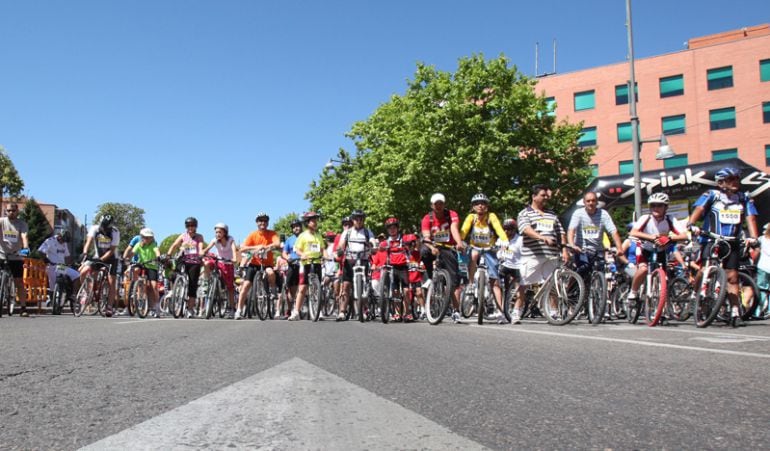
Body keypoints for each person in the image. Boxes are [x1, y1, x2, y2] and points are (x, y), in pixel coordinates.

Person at [687, 167, 759, 327]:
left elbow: (750, 217)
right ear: (721, 182)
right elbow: (699, 209)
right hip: (712, 239)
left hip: (732, 241)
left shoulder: (743, 198)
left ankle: (734, 310)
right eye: (731, 179)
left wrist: (754, 237)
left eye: (737, 179)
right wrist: (691, 224)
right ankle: (696, 291)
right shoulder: (712, 195)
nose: (735, 182)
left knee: (733, 276)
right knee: (704, 269)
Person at [516, 184, 570, 321]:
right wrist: (542, 237)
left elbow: (560, 232)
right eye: (543, 195)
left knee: (553, 283)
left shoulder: (551, 214)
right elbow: (526, 229)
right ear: (534, 197)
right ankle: (517, 310)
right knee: (524, 284)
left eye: (547, 195)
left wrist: (564, 249)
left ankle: (553, 311)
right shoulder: (524, 213)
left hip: (551, 254)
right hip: (532, 254)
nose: (546, 198)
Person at [628, 192, 688, 314]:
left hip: (660, 250)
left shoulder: (670, 219)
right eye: (653, 205)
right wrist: (651, 237)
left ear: (666, 207)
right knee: (643, 269)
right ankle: (633, 292)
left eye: (659, 205)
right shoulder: (645, 218)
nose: (656, 208)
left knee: (664, 278)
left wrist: (670, 239)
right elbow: (633, 233)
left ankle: (662, 308)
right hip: (645, 248)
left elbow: (684, 235)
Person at [460, 193, 508, 323]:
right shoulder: (471, 217)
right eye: (477, 204)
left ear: (487, 206)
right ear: (473, 207)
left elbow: (499, 229)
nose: (480, 206)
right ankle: (470, 283)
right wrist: (460, 241)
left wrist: (504, 241)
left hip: (490, 249)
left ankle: (500, 312)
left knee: (495, 282)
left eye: (483, 203)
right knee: (474, 254)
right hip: (475, 247)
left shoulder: (491, 216)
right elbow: (464, 230)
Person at [420, 193, 466, 322]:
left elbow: (454, 228)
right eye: (436, 204)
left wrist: (459, 243)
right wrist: (432, 248)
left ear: (444, 204)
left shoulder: (451, 214)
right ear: (432, 205)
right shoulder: (427, 218)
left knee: (453, 281)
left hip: (447, 247)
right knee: (423, 251)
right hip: (433, 245)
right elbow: (426, 237)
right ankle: (430, 277)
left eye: (441, 203)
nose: (439, 206)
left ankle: (456, 311)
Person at [235, 212, 281, 320]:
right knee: (245, 286)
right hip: (254, 264)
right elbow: (242, 248)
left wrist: (266, 247)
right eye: (260, 220)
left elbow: (277, 243)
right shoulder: (253, 235)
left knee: (270, 273)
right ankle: (239, 310)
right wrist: (257, 247)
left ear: (268, 222)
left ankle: (273, 289)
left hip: (267, 264)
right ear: (257, 223)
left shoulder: (272, 233)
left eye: (265, 221)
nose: (263, 223)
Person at [336, 209, 377, 320]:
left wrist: (373, 246)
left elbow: (373, 241)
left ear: (363, 220)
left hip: (363, 260)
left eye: (361, 219)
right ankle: (342, 312)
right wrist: (339, 250)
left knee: (365, 285)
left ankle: (364, 309)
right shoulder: (347, 232)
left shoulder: (368, 232)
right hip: (350, 260)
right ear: (352, 220)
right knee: (346, 286)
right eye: (356, 219)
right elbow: (341, 244)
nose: (358, 221)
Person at [80, 214, 120, 317]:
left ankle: (109, 307)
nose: (104, 229)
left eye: (107, 228)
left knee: (112, 282)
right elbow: (88, 242)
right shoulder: (94, 229)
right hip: (98, 255)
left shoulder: (115, 232)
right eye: (103, 227)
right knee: (84, 271)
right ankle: (87, 292)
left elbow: (112, 251)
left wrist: (101, 260)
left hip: (111, 258)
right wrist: (84, 253)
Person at [374, 217, 413, 321]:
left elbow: (411, 242)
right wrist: (380, 248)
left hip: (403, 267)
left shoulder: (403, 239)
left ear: (397, 228)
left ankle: (408, 312)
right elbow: (380, 248)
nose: (392, 229)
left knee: (405, 290)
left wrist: (409, 244)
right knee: (395, 291)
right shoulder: (386, 242)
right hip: (393, 268)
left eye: (394, 227)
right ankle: (397, 313)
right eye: (390, 228)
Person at [166, 217, 205, 318]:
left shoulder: (199, 236)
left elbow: (200, 246)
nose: (190, 228)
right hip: (183, 260)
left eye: (192, 225)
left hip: (194, 262)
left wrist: (201, 252)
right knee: (174, 274)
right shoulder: (183, 236)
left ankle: (190, 309)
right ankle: (174, 289)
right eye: (188, 226)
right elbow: (174, 245)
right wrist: (169, 254)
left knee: (192, 285)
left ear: (196, 226)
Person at [290, 212, 325, 321]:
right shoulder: (303, 236)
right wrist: (302, 255)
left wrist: (327, 256)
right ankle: (296, 312)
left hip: (317, 262)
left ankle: (319, 311)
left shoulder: (318, 235)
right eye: (312, 221)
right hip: (307, 264)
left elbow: (322, 250)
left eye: (316, 220)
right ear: (307, 223)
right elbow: (297, 249)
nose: (315, 223)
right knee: (303, 287)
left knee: (318, 287)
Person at [201, 223, 238, 318]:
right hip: (218, 261)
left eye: (219, 232)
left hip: (228, 263)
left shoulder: (230, 239)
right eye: (216, 232)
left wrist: (234, 258)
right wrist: (203, 252)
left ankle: (232, 309)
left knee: (230, 287)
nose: (217, 234)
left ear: (225, 232)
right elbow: (207, 248)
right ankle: (206, 282)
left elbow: (234, 250)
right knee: (206, 263)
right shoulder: (215, 240)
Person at [0, 203, 30, 317]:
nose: (11, 212)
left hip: (16, 256)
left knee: (19, 282)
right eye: (8, 210)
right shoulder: (2, 221)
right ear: (5, 211)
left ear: (17, 211)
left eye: (13, 210)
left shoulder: (21, 224)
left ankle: (23, 308)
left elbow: (24, 236)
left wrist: (26, 247)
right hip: (1, 254)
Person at [124, 228, 161, 317]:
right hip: (142, 264)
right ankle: (137, 286)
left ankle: (156, 306)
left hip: (152, 266)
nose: (148, 239)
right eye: (146, 237)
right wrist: (127, 258)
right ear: (142, 237)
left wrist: (158, 257)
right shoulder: (138, 245)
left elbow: (157, 251)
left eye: (150, 237)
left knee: (154, 285)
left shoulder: (153, 244)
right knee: (135, 269)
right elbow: (132, 253)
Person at [38, 230, 80, 296]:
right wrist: (46, 260)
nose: (63, 242)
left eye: (65, 241)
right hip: (52, 266)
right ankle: (52, 297)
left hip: (61, 266)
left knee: (76, 275)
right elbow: (40, 251)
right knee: (52, 286)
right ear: (59, 236)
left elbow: (67, 256)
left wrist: (72, 263)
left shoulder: (64, 243)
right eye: (63, 240)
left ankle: (73, 295)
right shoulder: (50, 241)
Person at [497, 218, 523, 323]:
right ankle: (500, 312)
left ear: (514, 230)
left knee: (520, 290)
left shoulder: (520, 240)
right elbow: (497, 252)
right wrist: (499, 252)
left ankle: (516, 313)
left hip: (518, 266)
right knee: (498, 285)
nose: (507, 231)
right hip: (505, 265)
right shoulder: (501, 239)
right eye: (505, 229)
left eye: (509, 229)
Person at [281, 218, 303, 315]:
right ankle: (290, 309)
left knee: (304, 287)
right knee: (290, 288)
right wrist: (287, 258)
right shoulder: (289, 239)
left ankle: (300, 308)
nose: (296, 228)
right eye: (294, 227)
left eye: (297, 226)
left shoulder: (305, 237)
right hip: (293, 265)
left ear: (301, 227)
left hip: (304, 264)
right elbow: (284, 253)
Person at [756, 223, 770, 319]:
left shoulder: (762, 239)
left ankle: (757, 311)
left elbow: (755, 249)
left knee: (761, 289)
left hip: (762, 266)